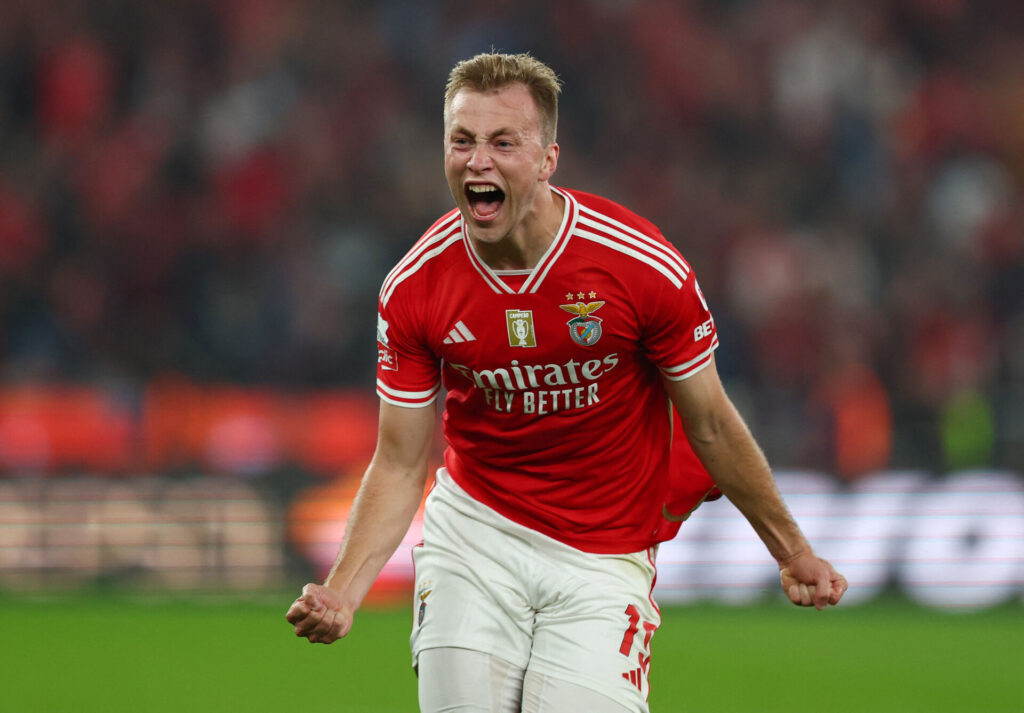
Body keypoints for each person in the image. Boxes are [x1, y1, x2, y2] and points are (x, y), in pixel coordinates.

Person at [286, 51, 847, 713]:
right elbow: (401, 460)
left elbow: (713, 423)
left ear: (549, 158)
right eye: (461, 141)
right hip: (476, 533)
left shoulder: (641, 267)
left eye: (502, 142)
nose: (477, 161)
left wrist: (792, 550)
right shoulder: (414, 286)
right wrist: (344, 590)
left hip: (602, 554)